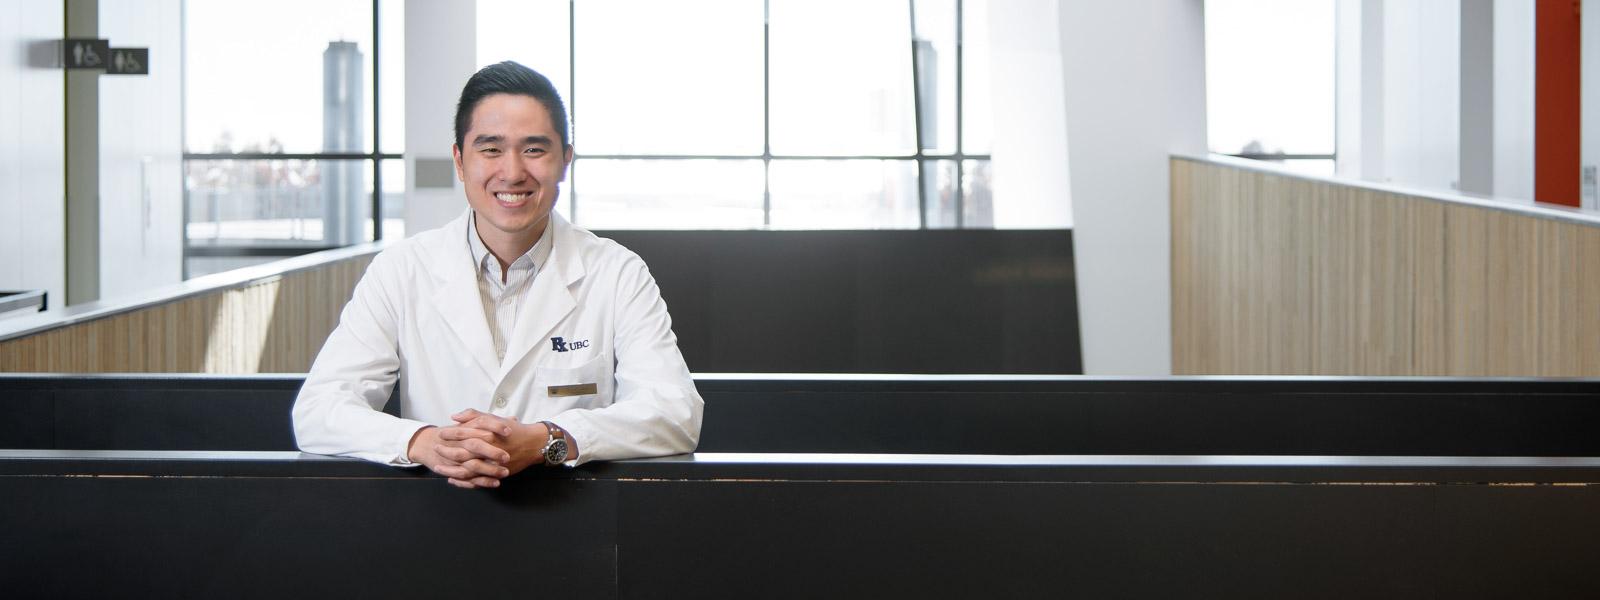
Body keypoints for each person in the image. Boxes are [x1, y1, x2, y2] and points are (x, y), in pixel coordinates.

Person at [292, 61, 702, 489]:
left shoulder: (617, 273)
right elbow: (319, 409)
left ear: (565, 160)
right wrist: (423, 442)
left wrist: (549, 439)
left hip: (574, 518)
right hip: (436, 517)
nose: (512, 172)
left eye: (534, 150)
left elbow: (675, 411)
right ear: (459, 161)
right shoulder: (401, 270)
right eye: (490, 150)